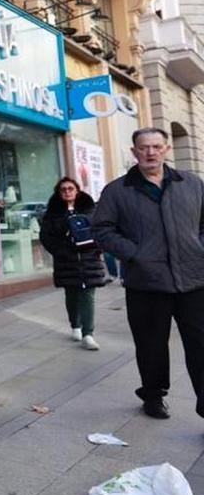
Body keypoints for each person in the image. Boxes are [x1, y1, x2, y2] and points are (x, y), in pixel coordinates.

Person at [93, 127, 204, 420]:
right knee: (151, 346)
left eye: (156, 146)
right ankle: (153, 396)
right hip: (146, 283)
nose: (150, 152)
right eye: (144, 147)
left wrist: (199, 250)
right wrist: (135, 254)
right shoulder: (118, 190)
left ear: (166, 149)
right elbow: (102, 229)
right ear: (134, 152)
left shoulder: (191, 183)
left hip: (194, 280)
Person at [39, 177, 107, 351]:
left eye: (70, 188)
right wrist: (60, 251)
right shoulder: (53, 213)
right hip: (67, 260)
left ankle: (88, 334)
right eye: (63, 189)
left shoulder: (90, 209)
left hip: (89, 258)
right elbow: (46, 237)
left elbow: (102, 229)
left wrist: (97, 248)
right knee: (72, 294)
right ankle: (75, 325)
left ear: (77, 190)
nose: (67, 192)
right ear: (59, 193)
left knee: (88, 295)